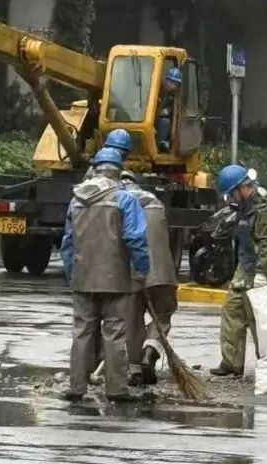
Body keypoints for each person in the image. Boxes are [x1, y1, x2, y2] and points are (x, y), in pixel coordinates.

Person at [60, 147, 150, 402]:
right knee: (114, 333)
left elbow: (67, 242)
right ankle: (117, 389)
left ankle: (76, 387)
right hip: (115, 279)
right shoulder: (125, 200)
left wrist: (73, 274)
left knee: (82, 331)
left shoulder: (77, 199)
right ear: (118, 172)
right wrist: (142, 270)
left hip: (83, 277)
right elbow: (135, 239)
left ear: (95, 170)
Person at [210, 164, 267, 377]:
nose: (231, 199)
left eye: (231, 194)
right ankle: (232, 362)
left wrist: (262, 273)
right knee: (232, 310)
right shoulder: (244, 208)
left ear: (242, 189)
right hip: (244, 268)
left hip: (260, 269)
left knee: (256, 318)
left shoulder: (263, 210)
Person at [119, 169, 179, 386]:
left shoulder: (120, 203)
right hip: (163, 274)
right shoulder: (156, 202)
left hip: (135, 273)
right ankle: (150, 351)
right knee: (163, 315)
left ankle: (135, 369)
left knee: (133, 320)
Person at [155, 67, 182, 153]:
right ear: (167, 81)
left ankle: (163, 144)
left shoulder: (175, 96)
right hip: (153, 116)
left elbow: (174, 107)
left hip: (164, 118)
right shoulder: (158, 89)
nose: (174, 86)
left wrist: (168, 110)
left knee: (165, 121)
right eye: (173, 83)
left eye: (177, 84)